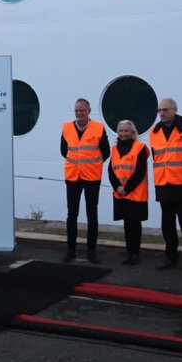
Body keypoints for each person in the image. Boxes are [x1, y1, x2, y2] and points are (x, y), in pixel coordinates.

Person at [149, 98, 182, 273]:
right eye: (159, 110)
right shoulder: (155, 132)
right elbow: (157, 157)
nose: (162, 113)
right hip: (163, 183)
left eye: (165, 110)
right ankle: (171, 257)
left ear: (174, 110)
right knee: (167, 224)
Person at [60, 98, 110, 263]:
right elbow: (63, 150)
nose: (79, 114)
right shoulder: (67, 128)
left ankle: (91, 251)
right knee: (71, 214)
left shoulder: (98, 128)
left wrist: (91, 165)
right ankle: (70, 250)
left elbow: (106, 152)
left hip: (91, 178)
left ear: (89, 111)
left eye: (81, 110)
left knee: (92, 215)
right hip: (73, 177)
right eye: (76, 111)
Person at [107, 120, 149, 266]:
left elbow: (140, 172)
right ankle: (129, 252)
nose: (123, 134)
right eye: (121, 131)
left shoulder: (140, 148)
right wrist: (117, 187)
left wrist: (126, 188)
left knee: (135, 224)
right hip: (121, 193)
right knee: (127, 224)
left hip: (135, 193)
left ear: (133, 132)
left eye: (126, 131)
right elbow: (111, 170)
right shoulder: (114, 149)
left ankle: (135, 253)